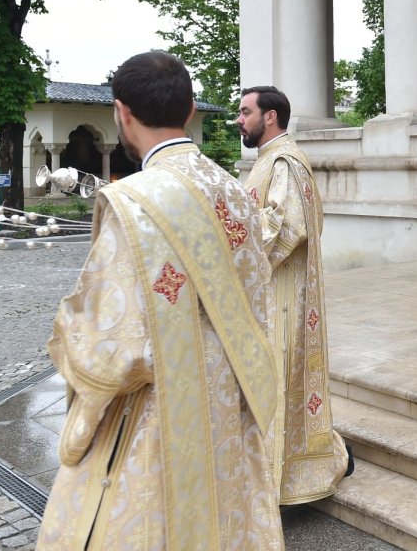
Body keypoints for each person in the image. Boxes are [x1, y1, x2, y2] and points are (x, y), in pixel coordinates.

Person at [37, 52, 282, 550]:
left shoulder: (135, 202)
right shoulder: (232, 190)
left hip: (159, 413)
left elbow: (112, 348)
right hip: (226, 393)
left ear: (120, 112)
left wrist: (69, 336)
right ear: (191, 109)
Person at [237, 86, 352, 505]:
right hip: (271, 288)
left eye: (245, 111)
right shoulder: (268, 160)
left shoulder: (283, 161)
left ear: (270, 117)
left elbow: (288, 226)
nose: (238, 118)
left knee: (282, 374)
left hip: (283, 290)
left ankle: (290, 474)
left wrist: (233, 240)